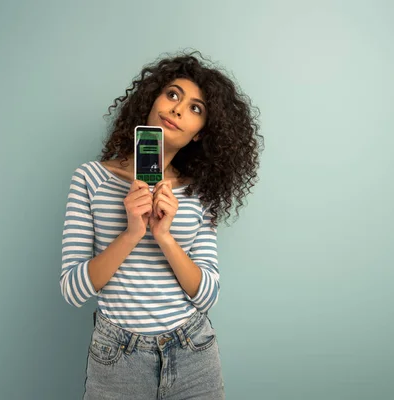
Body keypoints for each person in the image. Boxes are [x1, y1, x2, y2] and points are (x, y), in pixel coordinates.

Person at [60, 50, 264, 399]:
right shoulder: (91, 179)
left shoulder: (199, 193)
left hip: (193, 350)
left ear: (200, 133)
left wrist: (165, 237)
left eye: (195, 108)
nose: (178, 109)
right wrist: (131, 234)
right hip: (118, 357)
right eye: (172, 95)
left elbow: (208, 295)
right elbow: (73, 290)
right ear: (151, 102)